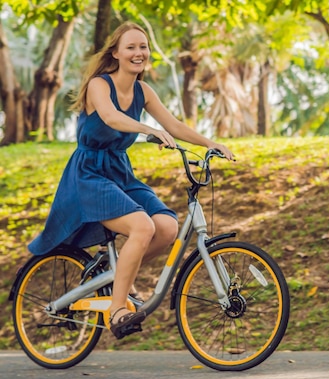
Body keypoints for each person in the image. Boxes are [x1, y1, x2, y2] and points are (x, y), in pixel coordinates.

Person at [28, 22, 234, 340]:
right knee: (142, 226)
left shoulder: (143, 91)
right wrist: (147, 130)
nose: (139, 53)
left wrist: (209, 143)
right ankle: (118, 308)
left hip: (119, 171)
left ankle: (116, 273)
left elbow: (174, 124)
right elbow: (111, 117)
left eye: (143, 47)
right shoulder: (100, 85)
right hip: (89, 174)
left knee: (165, 228)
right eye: (131, 47)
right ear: (116, 53)